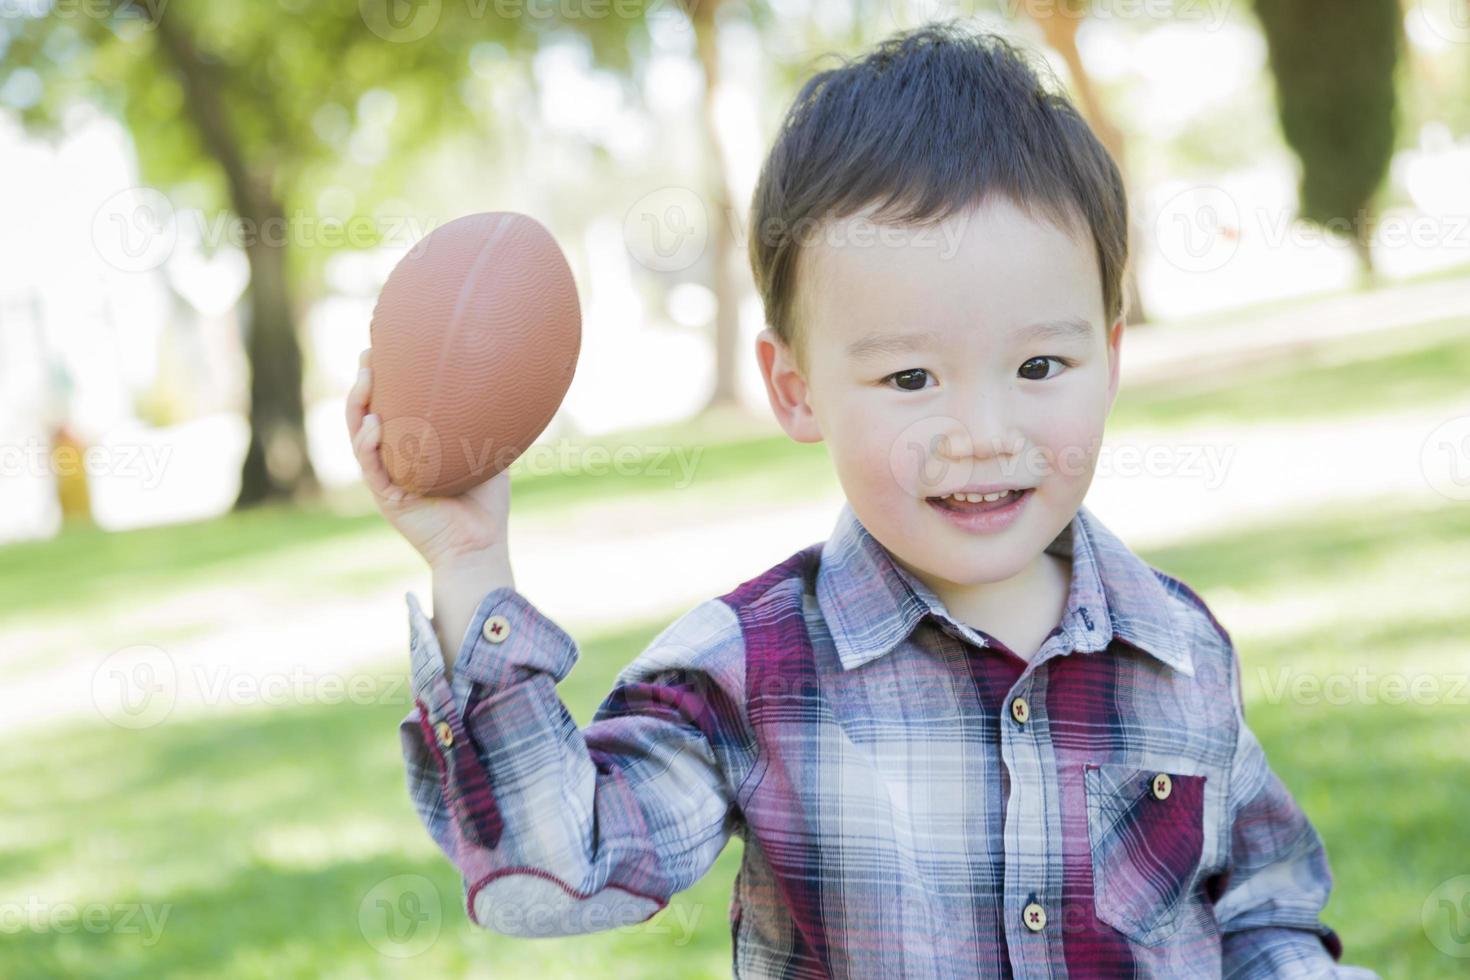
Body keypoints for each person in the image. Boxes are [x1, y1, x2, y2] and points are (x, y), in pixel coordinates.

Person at [346, 21, 1377, 978]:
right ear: (796, 388)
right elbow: (553, 875)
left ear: (1108, 357)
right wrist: (469, 563)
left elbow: (1262, 907)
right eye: (911, 380)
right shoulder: (748, 672)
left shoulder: (1177, 650)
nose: (983, 430)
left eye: (1040, 364)